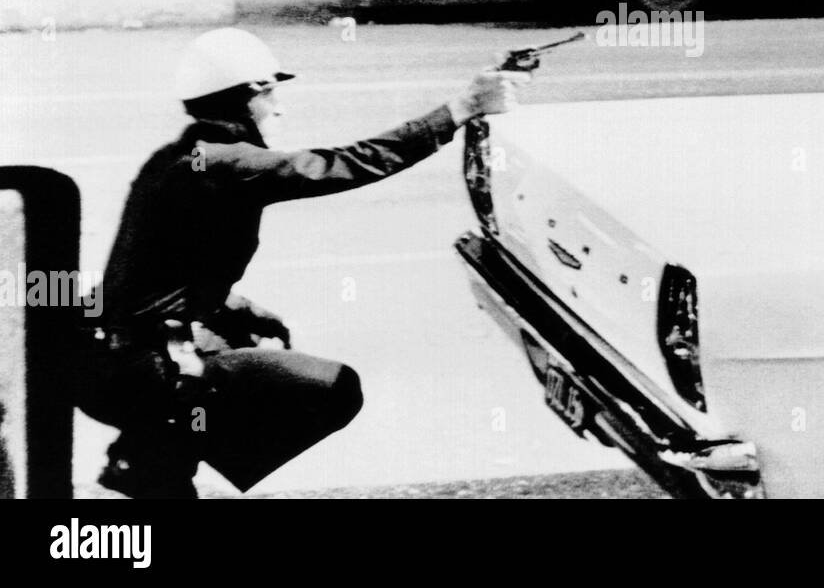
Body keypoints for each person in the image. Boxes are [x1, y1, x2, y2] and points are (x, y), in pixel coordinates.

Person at [75, 28, 527, 498]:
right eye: (271, 93)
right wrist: (458, 110)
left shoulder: (181, 157)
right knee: (334, 389)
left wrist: (238, 306)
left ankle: (156, 460)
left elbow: (162, 269)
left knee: (244, 339)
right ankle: (153, 456)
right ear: (246, 98)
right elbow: (348, 163)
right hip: (137, 368)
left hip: (114, 357)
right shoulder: (225, 163)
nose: (279, 107)